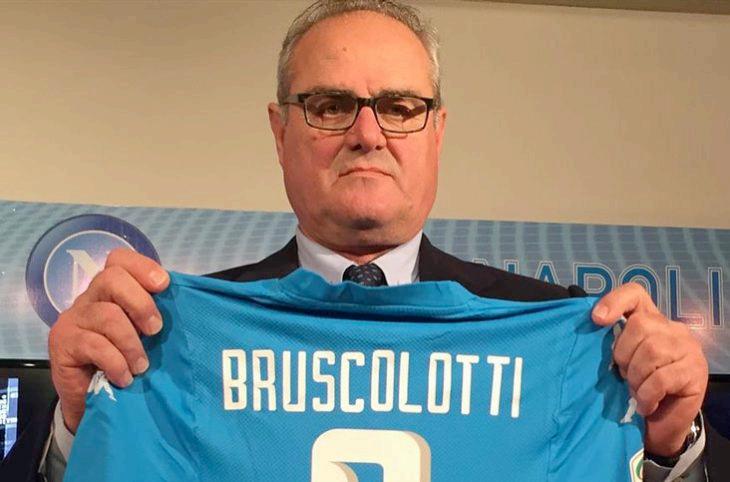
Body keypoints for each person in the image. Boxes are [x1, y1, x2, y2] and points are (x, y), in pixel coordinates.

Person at [0, 1, 709, 481]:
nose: (367, 134)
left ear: (437, 133)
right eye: (331, 105)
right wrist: (82, 425)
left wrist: (670, 446)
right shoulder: (168, 338)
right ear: (281, 132)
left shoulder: (565, 338)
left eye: (399, 107)